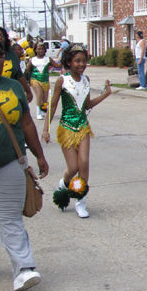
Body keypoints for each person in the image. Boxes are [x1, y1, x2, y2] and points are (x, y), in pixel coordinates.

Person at [0, 34, 49, 291]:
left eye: (0, 54)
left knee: (11, 217)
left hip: (10, 162)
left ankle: (23, 269)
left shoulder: (14, 86)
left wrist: (39, 155)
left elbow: (26, 123)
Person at [42, 44, 113, 218]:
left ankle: (80, 201)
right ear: (68, 62)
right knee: (72, 168)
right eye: (77, 61)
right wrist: (45, 129)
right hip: (66, 128)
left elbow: (87, 105)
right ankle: (63, 183)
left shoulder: (86, 80)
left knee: (84, 164)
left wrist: (105, 94)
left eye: (84, 61)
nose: (81, 64)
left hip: (83, 127)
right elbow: (52, 105)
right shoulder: (62, 80)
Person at [0, 27, 33, 103]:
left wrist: (28, 91)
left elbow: (19, 74)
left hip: (9, 94)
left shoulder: (11, 54)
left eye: (2, 35)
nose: (0, 37)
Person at [25, 42, 61, 120]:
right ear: (35, 50)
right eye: (38, 49)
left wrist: (65, 60)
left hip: (45, 81)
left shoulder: (48, 59)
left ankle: (42, 110)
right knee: (39, 94)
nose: (40, 50)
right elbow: (27, 70)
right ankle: (38, 113)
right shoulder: (32, 60)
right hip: (35, 80)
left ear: (45, 50)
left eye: (42, 49)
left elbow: (57, 65)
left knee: (44, 98)